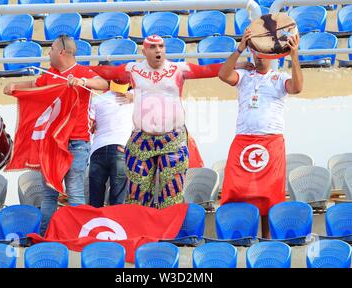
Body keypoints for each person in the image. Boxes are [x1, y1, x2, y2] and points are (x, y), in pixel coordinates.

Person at [89, 35, 233, 208]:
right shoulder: (133, 69)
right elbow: (106, 74)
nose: (158, 50)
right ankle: (142, 233)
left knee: (172, 194)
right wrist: (81, 77)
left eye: (161, 46)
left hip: (172, 138)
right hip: (141, 138)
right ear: (144, 51)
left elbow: (208, 69)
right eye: (153, 47)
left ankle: (169, 234)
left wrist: (238, 63)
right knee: (137, 195)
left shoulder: (178, 69)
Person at [3, 35, 109, 234]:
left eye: (51, 49)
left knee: (74, 191)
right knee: (49, 192)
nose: (48, 53)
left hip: (77, 142)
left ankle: (79, 235)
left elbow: (103, 84)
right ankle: (46, 234)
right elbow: (34, 84)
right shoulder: (51, 74)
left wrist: (82, 82)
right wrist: (14, 86)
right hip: (52, 144)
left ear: (61, 52)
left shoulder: (81, 71)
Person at [218, 28, 303, 239]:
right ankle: (239, 233)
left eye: (263, 53)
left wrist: (294, 56)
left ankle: (265, 237)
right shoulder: (245, 75)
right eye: (255, 52)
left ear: (271, 56)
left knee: (269, 192)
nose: (258, 57)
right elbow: (223, 75)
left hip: (271, 141)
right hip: (243, 139)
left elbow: (298, 87)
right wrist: (239, 49)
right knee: (238, 188)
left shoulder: (279, 77)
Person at [88, 82, 133, 207]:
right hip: (121, 149)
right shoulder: (133, 98)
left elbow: (90, 125)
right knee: (118, 200)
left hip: (98, 149)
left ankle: (95, 225)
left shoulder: (97, 99)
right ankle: (114, 225)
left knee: (95, 200)